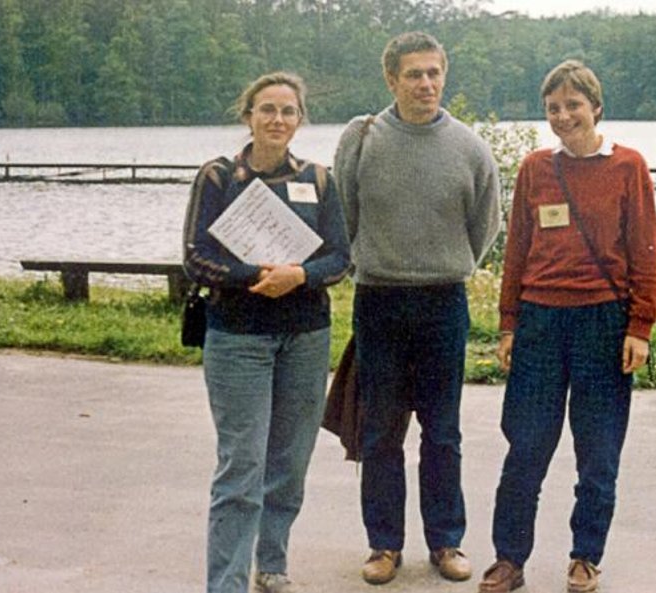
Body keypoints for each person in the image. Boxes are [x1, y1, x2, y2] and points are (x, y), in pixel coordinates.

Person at [478, 60, 656, 593]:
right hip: (539, 320)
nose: (563, 116)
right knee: (526, 448)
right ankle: (509, 559)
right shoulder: (536, 168)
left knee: (598, 450)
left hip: (603, 322)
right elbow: (516, 253)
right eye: (554, 108)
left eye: (573, 105)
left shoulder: (628, 167)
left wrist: (640, 327)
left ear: (595, 107)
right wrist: (508, 324)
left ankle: (585, 556)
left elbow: (646, 252)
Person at [333, 31, 501, 586]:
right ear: (391, 79)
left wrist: (445, 264)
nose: (425, 84)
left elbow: (484, 228)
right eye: (413, 74)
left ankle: (446, 540)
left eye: (433, 73)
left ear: (444, 76)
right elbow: (345, 218)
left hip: (443, 302)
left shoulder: (471, 148)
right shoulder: (362, 139)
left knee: (443, 431)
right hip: (378, 298)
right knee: (381, 431)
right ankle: (384, 545)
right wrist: (376, 262)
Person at [182, 71, 350, 593]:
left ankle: (272, 564)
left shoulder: (320, 180)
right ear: (248, 115)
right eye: (267, 109)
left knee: (290, 462)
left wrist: (299, 275)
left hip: (305, 336)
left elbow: (341, 258)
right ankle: (226, 582)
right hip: (236, 339)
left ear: (300, 120)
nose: (277, 119)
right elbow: (194, 258)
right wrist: (255, 276)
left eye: (288, 111)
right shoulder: (217, 178)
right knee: (241, 466)